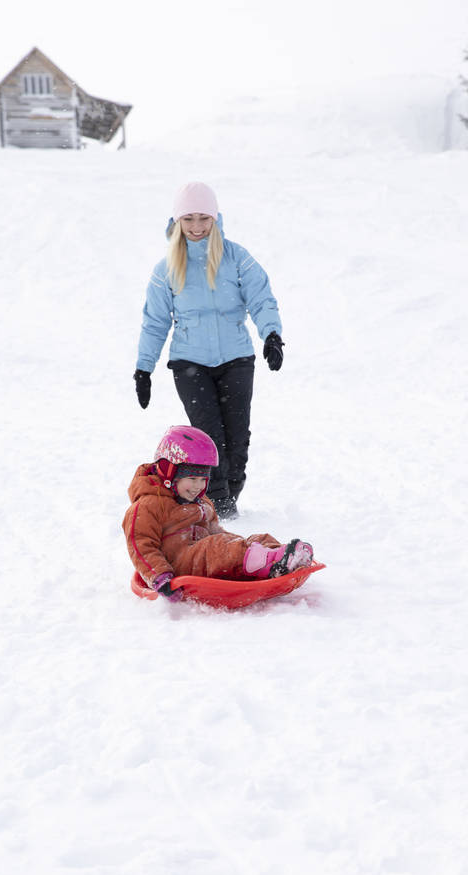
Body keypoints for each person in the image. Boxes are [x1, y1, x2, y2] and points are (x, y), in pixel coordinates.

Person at [133, 181, 285, 520]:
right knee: (209, 436)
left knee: (237, 438)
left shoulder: (236, 258)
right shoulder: (166, 269)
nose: (197, 226)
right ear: (177, 221)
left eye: (204, 218)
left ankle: (231, 491)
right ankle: (220, 507)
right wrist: (144, 369)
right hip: (190, 363)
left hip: (236, 360)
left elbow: (262, 298)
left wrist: (271, 335)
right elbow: (155, 322)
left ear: (215, 218)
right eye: (189, 219)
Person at [123, 425, 313, 602]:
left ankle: (283, 558)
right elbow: (141, 546)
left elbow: (214, 530)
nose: (198, 486)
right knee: (218, 546)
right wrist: (160, 576)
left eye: (203, 479)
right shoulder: (148, 506)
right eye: (192, 478)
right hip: (178, 566)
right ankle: (269, 562)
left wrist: (242, 544)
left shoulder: (201, 501)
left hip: (208, 557)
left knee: (253, 539)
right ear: (169, 473)